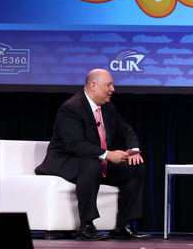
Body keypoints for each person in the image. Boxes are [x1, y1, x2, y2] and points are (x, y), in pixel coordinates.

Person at [35, 69, 151, 241]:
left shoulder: (107, 107)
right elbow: (76, 145)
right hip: (64, 160)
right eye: (108, 85)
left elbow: (126, 130)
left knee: (135, 168)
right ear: (93, 86)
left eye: (112, 85)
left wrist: (133, 149)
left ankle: (123, 225)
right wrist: (107, 154)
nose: (113, 89)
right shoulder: (71, 108)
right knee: (91, 165)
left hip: (92, 160)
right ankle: (86, 226)